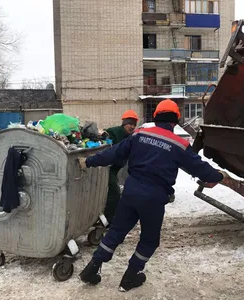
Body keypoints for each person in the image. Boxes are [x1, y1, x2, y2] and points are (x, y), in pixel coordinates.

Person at [78, 99, 227, 292]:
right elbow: (200, 168)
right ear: (175, 121)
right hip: (154, 199)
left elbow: (113, 153)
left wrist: (88, 162)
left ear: (156, 117)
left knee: (116, 232)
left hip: (131, 192)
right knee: (149, 240)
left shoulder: (139, 134)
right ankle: (130, 277)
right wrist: (218, 175)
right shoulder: (179, 144)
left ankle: (92, 269)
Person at [103, 110, 139, 224]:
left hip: (116, 168)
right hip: (107, 168)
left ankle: (110, 215)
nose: (132, 126)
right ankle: (108, 220)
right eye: (130, 124)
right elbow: (105, 136)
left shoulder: (131, 136)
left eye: (134, 124)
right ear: (124, 124)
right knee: (114, 193)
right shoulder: (115, 132)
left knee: (116, 193)